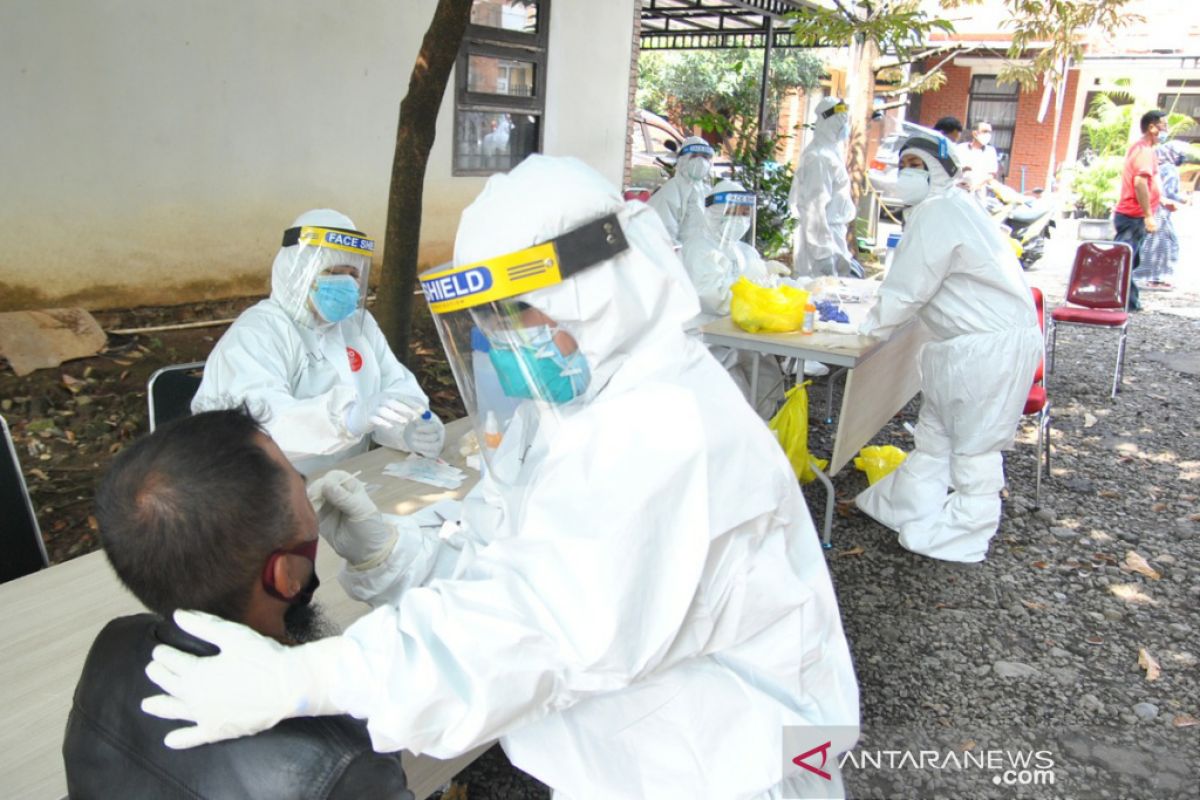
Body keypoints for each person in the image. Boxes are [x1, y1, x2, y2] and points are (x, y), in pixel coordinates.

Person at [142, 155, 861, 799]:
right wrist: (394, 553)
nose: (494, 343)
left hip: (728, 769)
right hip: (650, 750)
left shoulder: (662, 430)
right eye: (483, 321)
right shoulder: (579, 410)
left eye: (511, 315)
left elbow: (530, 628)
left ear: (592, 292)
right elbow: (507, 559)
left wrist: (312, 678)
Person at [63, 409, 413, 799]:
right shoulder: (348, 759)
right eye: (300, 484)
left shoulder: (113, 644)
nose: (308, 491)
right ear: (285, 578)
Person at [855, 132, 1042, 563]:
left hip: (987, 350)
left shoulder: (938, 212)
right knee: (937, 435)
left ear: (942, 172)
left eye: (919, 167)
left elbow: (907, 290)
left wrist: (864, 333)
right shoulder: (948, 208)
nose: (907, 174)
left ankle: (963, 534)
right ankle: (908, 505)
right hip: (966, 347)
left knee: (975, 447)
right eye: (904, 165)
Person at [192, 209, 445, 473]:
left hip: (351, 478)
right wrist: (346, 419)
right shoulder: (257, 333)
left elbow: (395, 388)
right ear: (297, 273)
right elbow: (259, 424)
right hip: (267, 489)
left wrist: (409, 428)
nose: (346, 283)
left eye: (353, 274)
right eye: (333, 271)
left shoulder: (358, 326)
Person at [679, 179, 789, 413]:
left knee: (768, 379)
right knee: (732, 397)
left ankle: (768, 433)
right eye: (735, 213)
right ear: (716, 212)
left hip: (738, 334)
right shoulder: (699, 248)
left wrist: (779, 284)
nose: (741, 220)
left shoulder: (743, 249)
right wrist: (750, 282)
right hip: (705, 338)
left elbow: (761, 288)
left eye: (745, 213)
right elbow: (714, 298)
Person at [789, 96, 862, 278]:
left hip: (832, 235)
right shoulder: (820, 158)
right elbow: (814, 208)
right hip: (821, 242)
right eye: (841, 122)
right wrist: (823, 254)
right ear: (829, 123)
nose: (845, 127)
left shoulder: (830, 153)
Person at [1114, 110, 1174, 311]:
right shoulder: (1144, 151)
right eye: (1164, 125)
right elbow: (1139, 182)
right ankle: (1125, 302)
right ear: (1152, 127)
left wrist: (1162, 200)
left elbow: (1147, 184)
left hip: (1133, 214)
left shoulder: (1144, 149)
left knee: (1130, 259)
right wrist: (1148, 215)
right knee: (1125, 260)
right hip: (1133, 216)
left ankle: (1129, 301)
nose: (1166, 130)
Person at [1134, 138, 1188, 290]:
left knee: (1151, 244)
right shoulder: (1169, 168)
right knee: (1166, 244)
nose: (1181, 158)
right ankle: (1158, 278)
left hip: (1153, 208)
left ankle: (1152, 277)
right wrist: (1182, 198)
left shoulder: (1158, 166)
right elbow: (1168, 192)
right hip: (1161, 211)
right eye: (1180, 154)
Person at [647, 135, 714, 243]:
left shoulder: (707, 192)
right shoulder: (670, 193)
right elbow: (665, 236)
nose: (700, 162)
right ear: (683, 160)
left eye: (705, 157)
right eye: (694, 156)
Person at [956, 120, 1001, 196]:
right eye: (985, 131)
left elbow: (991, 174)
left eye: (989, 132)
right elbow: (953, 170)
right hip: (959, 190)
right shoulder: (960, 148)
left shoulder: (990, 151)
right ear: (975, 133)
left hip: (979, 193)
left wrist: (976, 186)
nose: (988, 134)